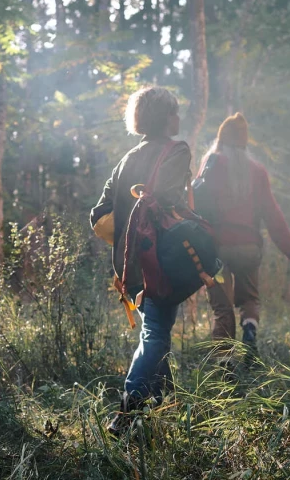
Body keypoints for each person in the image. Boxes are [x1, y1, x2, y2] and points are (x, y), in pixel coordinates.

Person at [90, 87, 192, 435]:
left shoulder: (126, 159)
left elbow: (98, 213)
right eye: (175, 111)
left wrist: (125, 240)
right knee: (156, 333)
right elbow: (167, 198)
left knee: (157, 332)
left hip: (127, 265)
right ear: (164, 117)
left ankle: (166, 407)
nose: (179, 118)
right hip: (159, 259)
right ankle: (126, 410)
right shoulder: (177, 150)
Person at [200, 113, 290, 351]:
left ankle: (225, 362)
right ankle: (249, 328)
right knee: (249, 300)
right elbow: (273, 216)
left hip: (216, 248)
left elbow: (197, 206)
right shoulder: (257, 171)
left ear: (221, 139)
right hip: (249, 248)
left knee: (222, 308)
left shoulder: (211, 164)